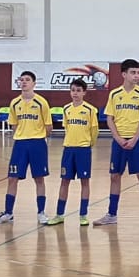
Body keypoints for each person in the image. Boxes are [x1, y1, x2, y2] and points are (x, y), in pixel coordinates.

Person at [95, 58, 139, 226]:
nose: (136, 76)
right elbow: (109, 119)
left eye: (138, 73)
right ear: (124, 74)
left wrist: (135, 138)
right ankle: (111, 214)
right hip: (119, 142)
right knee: (115, 176)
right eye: (133, 72)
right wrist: (118, 138)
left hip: (136, 141)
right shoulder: (115, 94)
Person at [0, 71, 51, 225]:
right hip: (20, 144)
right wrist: (22, 135)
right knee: (12, 178)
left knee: (39, 178)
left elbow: (48, 126)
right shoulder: (15, 103)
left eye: (27, 80)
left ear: (34, 83)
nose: (24, 82)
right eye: (21, 80)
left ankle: (41, 212)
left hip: (37, 144)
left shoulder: (41, 102)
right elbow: (14, 124)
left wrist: (37, 136)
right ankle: (8, 212)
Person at [47, 77, 96, 226]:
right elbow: (67, 128)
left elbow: (94, 131)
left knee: (85, 182)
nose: (75, 93)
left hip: (83, 150)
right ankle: (59, 214)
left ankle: (83, 215)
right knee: (64, 181)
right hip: (68, 149)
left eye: (78, 91)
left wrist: (88, 144)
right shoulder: (66, 109)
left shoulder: (90, 110)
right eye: (73, 90)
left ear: (84, 92)